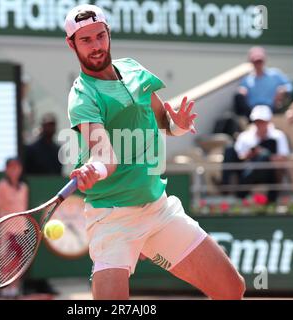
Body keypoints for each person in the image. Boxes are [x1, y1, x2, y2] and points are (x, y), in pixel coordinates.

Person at [64, 4, 245, 300]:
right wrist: (93, 170)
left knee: (231, 289)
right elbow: (104, 155)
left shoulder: (134, 70)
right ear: (71, 44)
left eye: (100, 36)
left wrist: (179, 125)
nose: (96, 46)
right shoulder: (83, 95)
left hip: (158, 210)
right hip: (113, 219)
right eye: (86, 40)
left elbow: (164, 121)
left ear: (108, 34)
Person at [219, 105, 290, 202]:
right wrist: (249, 155)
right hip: (246, 169)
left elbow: (283, 158)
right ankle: (225, 186)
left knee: (263, 156)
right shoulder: (245, 136)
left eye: (262, 121)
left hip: (269, 173)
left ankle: (240, 193)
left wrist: (265, 155)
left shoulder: (278, 136)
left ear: (268, 121)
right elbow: (239, 156)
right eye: (257, 121)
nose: (260, 124)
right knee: (229, 149)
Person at [0, 157, 29, 299]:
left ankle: (15, 290)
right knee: (6, 260)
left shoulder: (24, 188)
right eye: (11, 167)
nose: (14, 170)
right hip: (6, 230)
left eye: (17, 167)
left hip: (20, 230)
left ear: (21, 169)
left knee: (18, 261)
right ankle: (5, 291)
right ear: (6, 170)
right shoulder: (1, 186)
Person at [235, 47, 293, 118]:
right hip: (253, 112)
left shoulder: (275, 74)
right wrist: (242, 92)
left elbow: (290, 86)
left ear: (264, 61)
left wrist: (283, 90)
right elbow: (241, 91)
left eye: (260, 61)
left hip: (272, 110)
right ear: (251, 62)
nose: (258, 64)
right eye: (256, 62)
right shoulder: (247, 79)